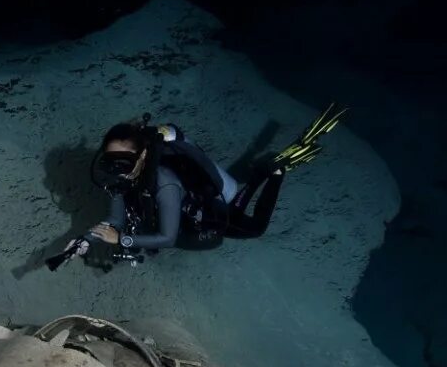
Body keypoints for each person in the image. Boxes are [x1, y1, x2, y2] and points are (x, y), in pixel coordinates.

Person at [58, 104, 345, 265]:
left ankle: (274, 172)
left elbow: (167, 238)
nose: (117, 172)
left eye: (123, 163)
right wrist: (86, 240)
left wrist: (122, 240)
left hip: (206, 214)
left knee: (253, 227)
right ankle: (258, 171)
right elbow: (115, 219)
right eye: (110, 163)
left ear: (144, 155)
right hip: (185, 211)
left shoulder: (165, 184)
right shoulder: (123, 180)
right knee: (235, 204)